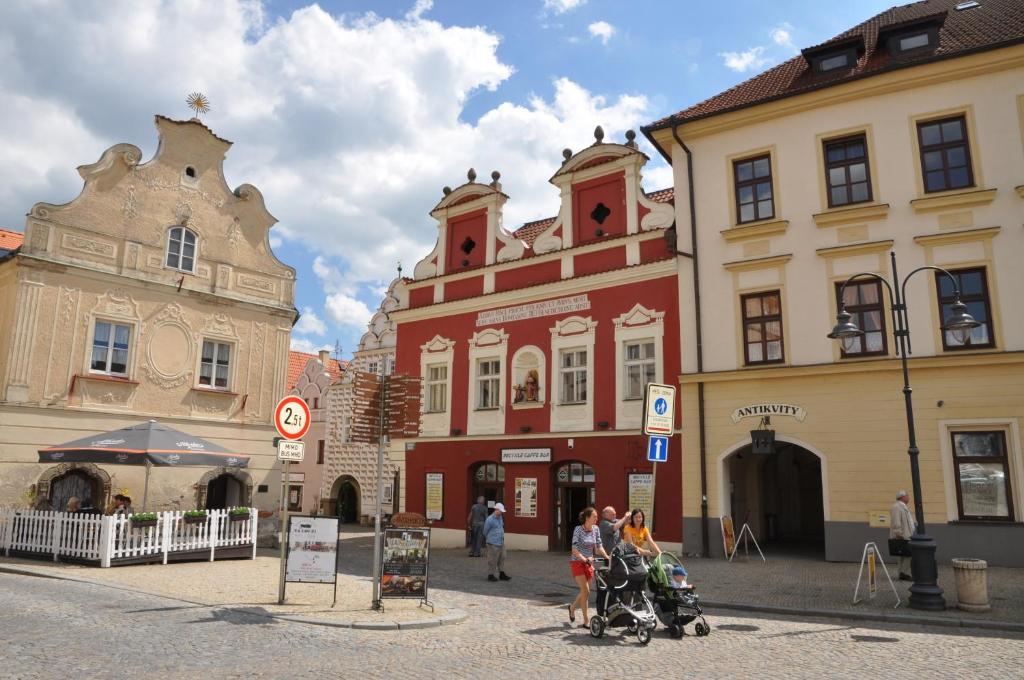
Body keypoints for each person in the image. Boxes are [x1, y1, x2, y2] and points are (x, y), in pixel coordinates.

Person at [568, 507, 609, 627]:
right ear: (587, 518)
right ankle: (586, 621)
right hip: (577, 562)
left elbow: (599, 546)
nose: (597, 518)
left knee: (586, 592)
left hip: (589, 563)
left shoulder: (596, 529)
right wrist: (584, 558)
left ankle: (572, 608)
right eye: (594, 516)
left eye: (597, 516)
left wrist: (607, 556)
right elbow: (574, 549)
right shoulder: (578, 530)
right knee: (585, 590)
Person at [890, 490, 916, 581]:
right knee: (904, 554)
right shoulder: (897, 507)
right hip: (902, 535)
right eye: (907, 496)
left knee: (905, 554)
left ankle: (903, 573)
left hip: (906, 534)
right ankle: (903, 573)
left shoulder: (903, 506)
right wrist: (898, 533)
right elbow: (896, 521)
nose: (908, 497)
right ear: (902, 497)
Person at [483, 503, 510, 582]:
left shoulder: (500, 517)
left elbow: (501, 527)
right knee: (493, 559)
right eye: (500, 511)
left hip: (501, 541)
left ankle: (501, 573)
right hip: (492, 543)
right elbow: (485, 531)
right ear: (496, 510)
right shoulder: (489, 519)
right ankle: (490, 575)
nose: (502, 512)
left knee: (503, 557)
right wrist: (490, 539)